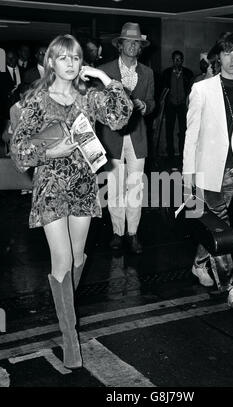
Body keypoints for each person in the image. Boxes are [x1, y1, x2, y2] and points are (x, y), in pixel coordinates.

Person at [10, 34, 132, 369]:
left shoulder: (88, 97)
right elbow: (18, 150)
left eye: (76, 58)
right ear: (50, 61)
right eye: (63, 58)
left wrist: (107, 80)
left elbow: (121, 118)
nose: (70, 64)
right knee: (61, 260)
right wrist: (50, 150)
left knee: (78, 256)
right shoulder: (34, 99)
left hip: (82, 184)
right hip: (50, 185)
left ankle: (66, 310)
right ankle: (70, 340)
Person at [183, 32, 233, 309]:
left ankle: (199, 263)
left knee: (215, 226)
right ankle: (231, 287)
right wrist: (188, 173)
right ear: (218, 56)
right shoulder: (202, 89)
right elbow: (191, 134)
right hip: (206, 170)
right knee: (224, 228)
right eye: (228, 53)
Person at [99, 22, 155, 254]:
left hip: (137, 137)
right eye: (129, 41)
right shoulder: (104, 71)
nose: (133, 46)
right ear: (120, 45)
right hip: (112, 138)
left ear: (141, 47)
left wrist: (145, 105)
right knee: (114, 187)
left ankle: (132, 233)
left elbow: (152, 103)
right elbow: (99, 106)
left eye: (137, 43)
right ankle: (116, 232)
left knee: (135, 188)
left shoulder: (148, 72)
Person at [161, 50, 193, 163]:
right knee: (169, 131)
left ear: (182, 60)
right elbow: (163, 90)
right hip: (170, 105)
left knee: (183, 131)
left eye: (179, 59)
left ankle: (182, 155)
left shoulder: (188, 73)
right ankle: (170, 156)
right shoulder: (166, 73)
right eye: (175, 59)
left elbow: (191, 90)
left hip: (183, 106)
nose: (177, 61)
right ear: (172, 60)